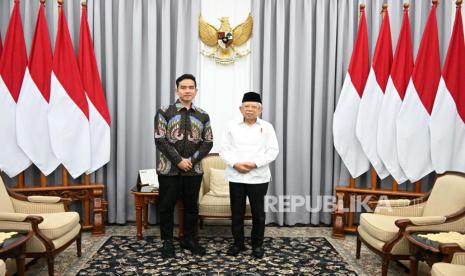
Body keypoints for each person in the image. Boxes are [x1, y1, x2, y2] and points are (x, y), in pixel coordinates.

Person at [154, 74, 213, 258]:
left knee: (191, 207)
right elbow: (160, 139)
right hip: (168, 170)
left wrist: (191, 161)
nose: (187, 90)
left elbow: (208, 142)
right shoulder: (164, 111)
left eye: (191, 87)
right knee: (166, 206)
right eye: (183, 87)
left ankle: (189, 239)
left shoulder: (203, 114)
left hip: (193, 171)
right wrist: (178, 160)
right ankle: (167, 242)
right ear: (177, 90)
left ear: (196, 90)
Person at [220, 92, 279, 258]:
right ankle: (238, 244)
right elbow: (225, 149)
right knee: (236, 213)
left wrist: (255, 164)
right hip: (236, 176)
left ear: (260, 109)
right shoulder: (231, 125)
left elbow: (273, 151)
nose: (250, 109)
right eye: (247, 106)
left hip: (258, 177)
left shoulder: (267, 127)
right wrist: (235, 164)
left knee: (258, 213)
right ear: (241, 108)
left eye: (254, 107)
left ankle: (257, 245)